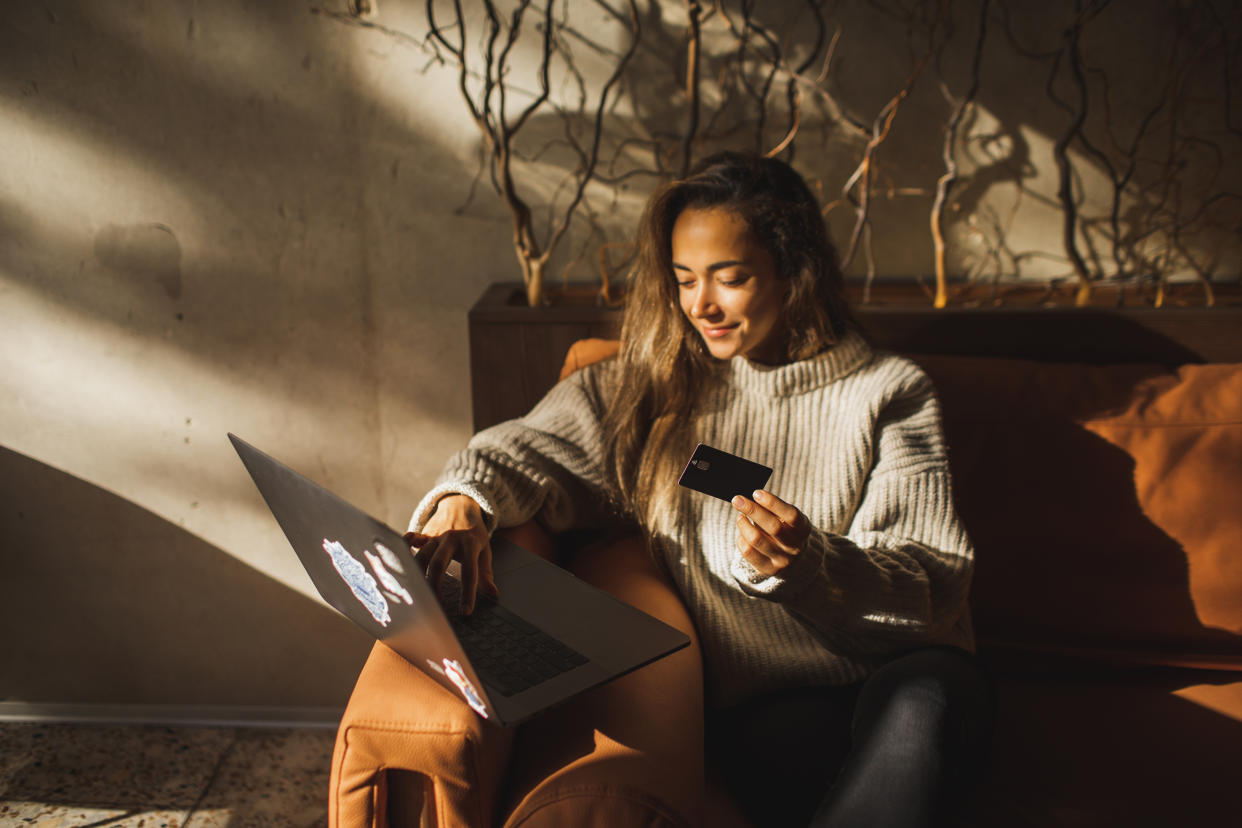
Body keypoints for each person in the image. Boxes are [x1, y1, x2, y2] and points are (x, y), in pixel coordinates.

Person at [405, 151, 992, 827]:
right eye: (684, 280)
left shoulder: (888, 391)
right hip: (772, 706)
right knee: (793, 749)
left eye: (730, 278)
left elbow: (932, 588)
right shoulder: (657, 390)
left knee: (926, 705)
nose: (701, 305)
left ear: (794, 273)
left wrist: (811, 567)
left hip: (907, 676)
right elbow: (525, 448)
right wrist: (464, 499)